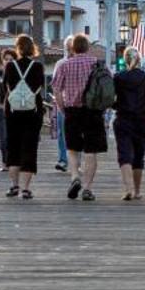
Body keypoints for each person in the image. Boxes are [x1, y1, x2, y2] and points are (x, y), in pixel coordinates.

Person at [51, 33, 107, 202]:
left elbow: (56, 90)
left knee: (72, 148)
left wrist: (62, 108)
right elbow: (107, 87)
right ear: (88, 48)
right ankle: (88, 188)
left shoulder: (64, 65)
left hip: (72, 111)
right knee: (91, 151)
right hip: (93, 111)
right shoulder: (97, 65)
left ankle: (75, 176)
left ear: (72, 48)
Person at [0, 34, 47, 199]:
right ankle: (25, 188)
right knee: (29, 148)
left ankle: (14, 186)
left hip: (13, 113)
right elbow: (41, 87)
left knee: (14, 148)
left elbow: (5, 88)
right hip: (33, 113)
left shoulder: (10, 66)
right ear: (32, 48)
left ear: (17, 48)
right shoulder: (38, 67)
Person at [112, 47, 145, 201]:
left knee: (124, 155)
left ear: (125, 59)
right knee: (138, 156)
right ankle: (136, 191)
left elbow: (112, 99)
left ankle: (128, 189)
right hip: (142, 121)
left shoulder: (118, 77)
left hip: (123, 119)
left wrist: (116, 106)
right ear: (139, 59)